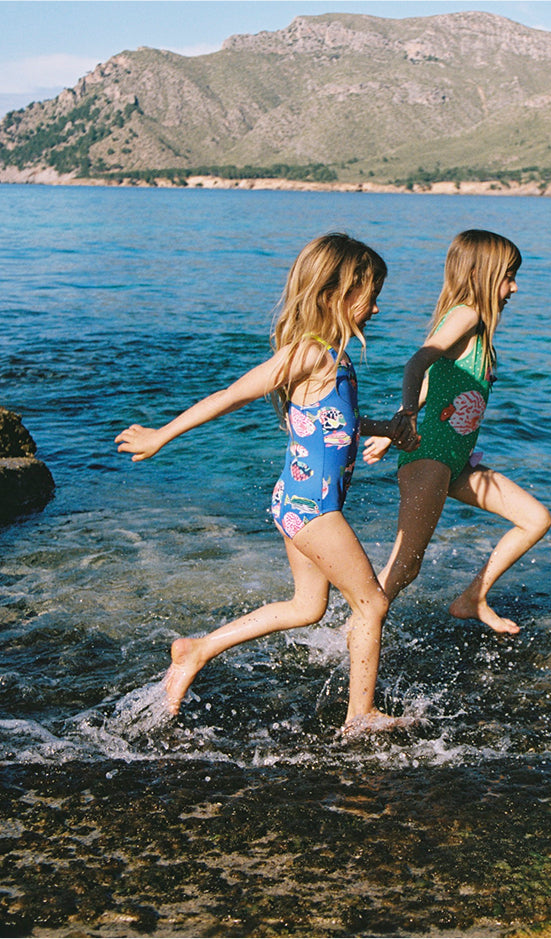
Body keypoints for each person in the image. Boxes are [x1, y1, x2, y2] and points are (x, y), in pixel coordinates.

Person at [116, 233, 416, 730]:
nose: (377, 309)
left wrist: (387, 429)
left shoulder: (331, 357)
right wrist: (161, 436)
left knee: (306, 607)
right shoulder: (311, 353)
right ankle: (360, 716)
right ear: (332, 296)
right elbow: (231, 395)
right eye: (371, 296)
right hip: (313, 507)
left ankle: (197, 650)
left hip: (296, 499)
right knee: (372, 602)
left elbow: (333, 422)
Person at [363, 229, 551, 635]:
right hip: (429, 457)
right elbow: (417, 363)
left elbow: (434, 377)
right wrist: (408, 419)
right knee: (404, 567)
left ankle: (473, 598)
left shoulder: (479, 329)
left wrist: (393, 424)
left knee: (535, 519)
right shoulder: (467, 315)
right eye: (509, 276)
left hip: (456, 461)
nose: (514, 287)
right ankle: (354, 633)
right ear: (482, 274)